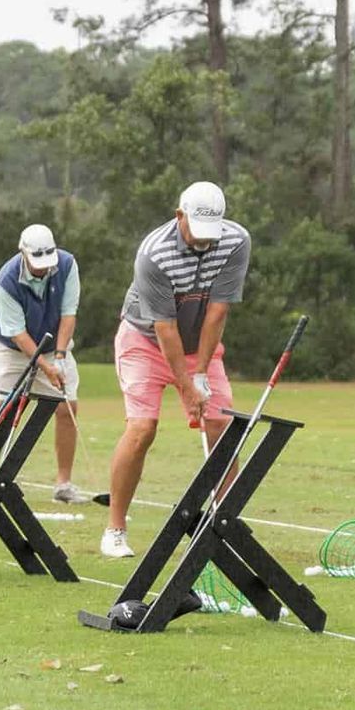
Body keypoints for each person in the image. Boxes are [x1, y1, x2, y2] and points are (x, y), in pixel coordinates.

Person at [102, 181, 251, 558]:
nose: (204, 241)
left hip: (199, 342)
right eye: (197, 232)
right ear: (179, 215)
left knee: (221, 424)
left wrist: (200, 371)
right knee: (142, 429)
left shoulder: (235, 241)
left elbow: (218, 310)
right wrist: (186, 387)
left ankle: (225, 527)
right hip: (144, 342)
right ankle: (115, 528)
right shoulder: (154, 254)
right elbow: (164, 328)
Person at [0, 223, 91, 504]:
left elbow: (69, 313)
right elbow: (17, 333)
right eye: (37, 263)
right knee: (0, 410)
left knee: (67, 407)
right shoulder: (7, 278)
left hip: (53, 347)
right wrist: (45, 367)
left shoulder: (66, 265)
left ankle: (63, 485)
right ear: (23, 253)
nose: (43, 268)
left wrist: (60, 357)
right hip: (10, 348)